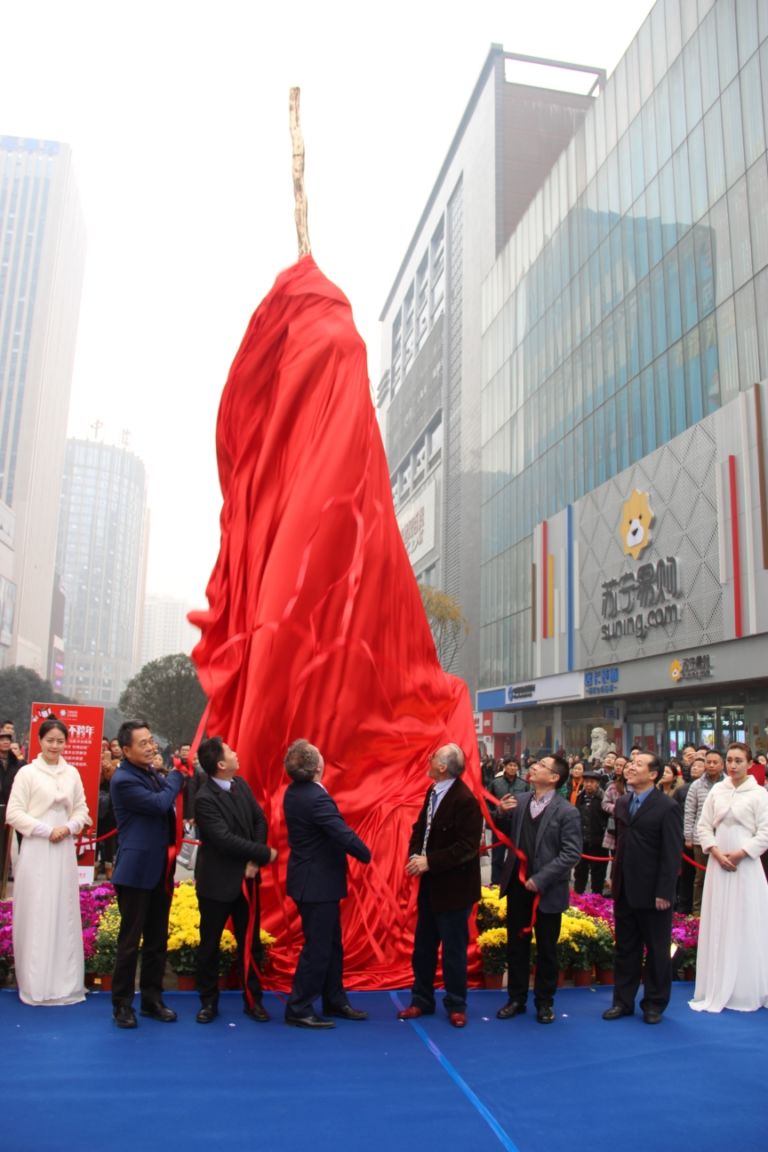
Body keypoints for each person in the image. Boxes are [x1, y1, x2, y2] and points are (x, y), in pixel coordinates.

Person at [283, 739, 371, 1028]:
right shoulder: (314, 797)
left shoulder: (296, 792)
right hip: (316, 884)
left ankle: (334, 999)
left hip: (314, 881)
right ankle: (299, 1007)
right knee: (318, 948)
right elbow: (340, 832)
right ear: (316, 766)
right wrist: (367, 853)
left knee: (332, 944)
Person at [6, 717, 91, 1005]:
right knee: (37, 909)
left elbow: (81, 809)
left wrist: (67, 828)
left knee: (63, 909)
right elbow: (14, 814)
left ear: (67, 742)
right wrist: (46, 830)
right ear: (40, 741)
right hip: (37, 848)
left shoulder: (72, 774)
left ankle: (65, 982)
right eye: (50, 740)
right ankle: (35, 984)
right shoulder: (27, 774)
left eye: (60, 741)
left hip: (64, 847)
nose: (55, 746)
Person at [193, 736, 278, 1024]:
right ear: (220, 764)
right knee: (210, 945)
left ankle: (253, 1000)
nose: (235, 753)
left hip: (247, 881)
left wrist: (255, 861)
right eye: (230, 752)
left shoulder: (241, 786)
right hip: (216, 884)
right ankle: (208, 1002)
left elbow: (259, 820)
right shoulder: (204, 799)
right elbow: (223, 840)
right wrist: (264, 852)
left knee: (250, 943)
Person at [398, 743, 483, 1028]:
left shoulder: (465, 800)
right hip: (431, 886)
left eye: (433, 757)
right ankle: (421, 998)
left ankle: (456, 1003)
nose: (429, 760)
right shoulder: (432, 792)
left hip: (455, 888)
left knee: (453, 950)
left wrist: (429, 861)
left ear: (443, 767)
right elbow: (420, 829)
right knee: (423, 947)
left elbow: (467, 847)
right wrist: (414, 855)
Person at [494, 754, 581, 1025]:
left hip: (547, 890)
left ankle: (544, 1002)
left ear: (554, 777)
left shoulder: (567, 811)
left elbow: (571, 853)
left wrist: (541, 878)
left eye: (542, 766)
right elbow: (500, 829)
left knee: (547, 949)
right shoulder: (519, 801)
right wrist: (500, 813)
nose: (534, 767)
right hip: (518, 886)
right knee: (516, 946)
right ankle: (516, 998)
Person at [110, 720, 186, 1029]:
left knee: (157, 939)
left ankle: (153, 999)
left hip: (160, 869)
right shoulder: (123, 780)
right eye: (143, 743)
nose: (151, 747)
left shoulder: (151, 773)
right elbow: (158, 804)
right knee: (130, 941)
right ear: (126, 750)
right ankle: (122, 1004)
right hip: (135, 871)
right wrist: (177, 777)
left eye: (151, 740)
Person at [603, 752, 683, 1025]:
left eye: (638, 765)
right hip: (625, 888)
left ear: (653, 774)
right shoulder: (623, 802)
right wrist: (614, 879)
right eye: (631, 764)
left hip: (653, 893)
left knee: (657, 949)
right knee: (626, 948)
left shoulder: (667, 807)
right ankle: (622, 1002)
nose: (630, 767)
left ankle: (654, 1003)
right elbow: (620, 844)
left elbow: (672, 854)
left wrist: (665, 891)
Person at [689, 742, 768, 1013]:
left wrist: (739, 854)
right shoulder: (717, 791)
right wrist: (714, 851)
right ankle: (716, 984)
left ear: (749, 764)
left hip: (746, 866)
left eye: (738, 760)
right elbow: (703, 825)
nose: (732, 765)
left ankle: (747, 987)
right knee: (719, 919)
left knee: (746, 920)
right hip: (717, 864)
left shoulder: (759, 794)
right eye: (730, 760)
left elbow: (765, 832)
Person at [683, 750, 724, 916]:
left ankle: (719, 910)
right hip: (700, 839)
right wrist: (688, 836)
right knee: (700, 878)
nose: (712, 765)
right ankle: (697, 911)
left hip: (722, 837)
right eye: (709, 762)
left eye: (715, 762)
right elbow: (689, 812)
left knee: (721, 877)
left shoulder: (728, 783)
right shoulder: (696, 785)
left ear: (722, 765)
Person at [488, 756, 528, 885]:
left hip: (517, 826)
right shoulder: (495, 783)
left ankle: (513, 884)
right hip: (499, 825)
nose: (513, 768)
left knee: (515, 857)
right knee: (497, 858)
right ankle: (495, 883)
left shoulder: (524, 784)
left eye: (515, 766)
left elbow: (528, 804)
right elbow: (487, 804)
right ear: (504, 766)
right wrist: (497, 813)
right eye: (510, 765)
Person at [573, 769, 608, 895]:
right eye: (586, 782)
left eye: (592, 782)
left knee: (598, 873)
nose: (588, 784)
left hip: (599, 842)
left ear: (597, 783)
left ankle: (596, 898)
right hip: (582, 841)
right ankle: (578, 897)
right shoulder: (580, 798)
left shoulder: (604, 799)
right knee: (580, 871)